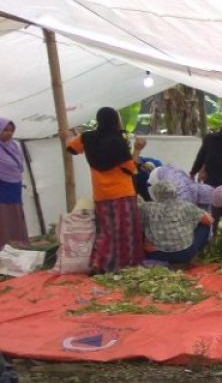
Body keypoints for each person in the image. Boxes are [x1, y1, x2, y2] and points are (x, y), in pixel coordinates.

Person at [65, 108, 145, 273]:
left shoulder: (86, 138)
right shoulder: (117, 141)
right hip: (123, 193)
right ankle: (126, 264)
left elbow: (71, 148)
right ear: (115, 121)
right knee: (126, 230)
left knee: (107, 232)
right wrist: (137, 149)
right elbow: (131, 169)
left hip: (101, 194)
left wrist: (68, 134)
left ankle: (101, 264)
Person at [141, 180, 212, 265]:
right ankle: (195, 256)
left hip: (156, 254)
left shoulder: (147, 208)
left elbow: (139, 226)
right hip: (184, 254)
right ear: (174, 192)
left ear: (156, 194)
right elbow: (209, 220)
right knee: (204, 226)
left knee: (144, 228)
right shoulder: (185, 205)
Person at [0, 118, 29, 250]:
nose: (9, 133)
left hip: (14, 187)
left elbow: (19, 166)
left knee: (15, 216)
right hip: (2, 189)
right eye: (5, 130)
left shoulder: (13, 146)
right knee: (3, 218)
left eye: (11, 130)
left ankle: (19, 246)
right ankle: (4, 248)